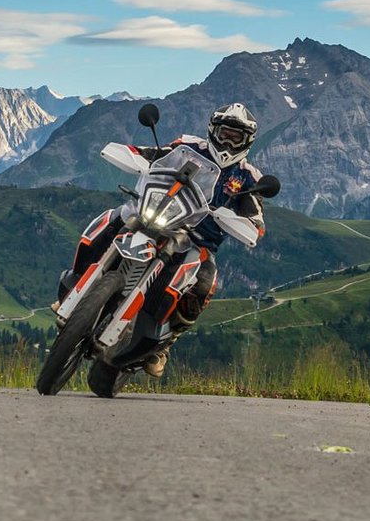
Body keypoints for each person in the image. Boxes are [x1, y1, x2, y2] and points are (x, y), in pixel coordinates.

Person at [55, 103, 266, 378]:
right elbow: (153, 155)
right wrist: (134, 155)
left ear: (246, 140)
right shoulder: (188, 147)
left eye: (235, 136)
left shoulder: (249, 178)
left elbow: (257, 221)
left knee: (204, 284)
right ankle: (78, 280)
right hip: (155, 215)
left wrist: (241, 221)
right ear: (213, 130)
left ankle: (163, 344)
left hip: (196, 241)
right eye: (225, 132)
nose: (228, 140)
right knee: (112, 219)